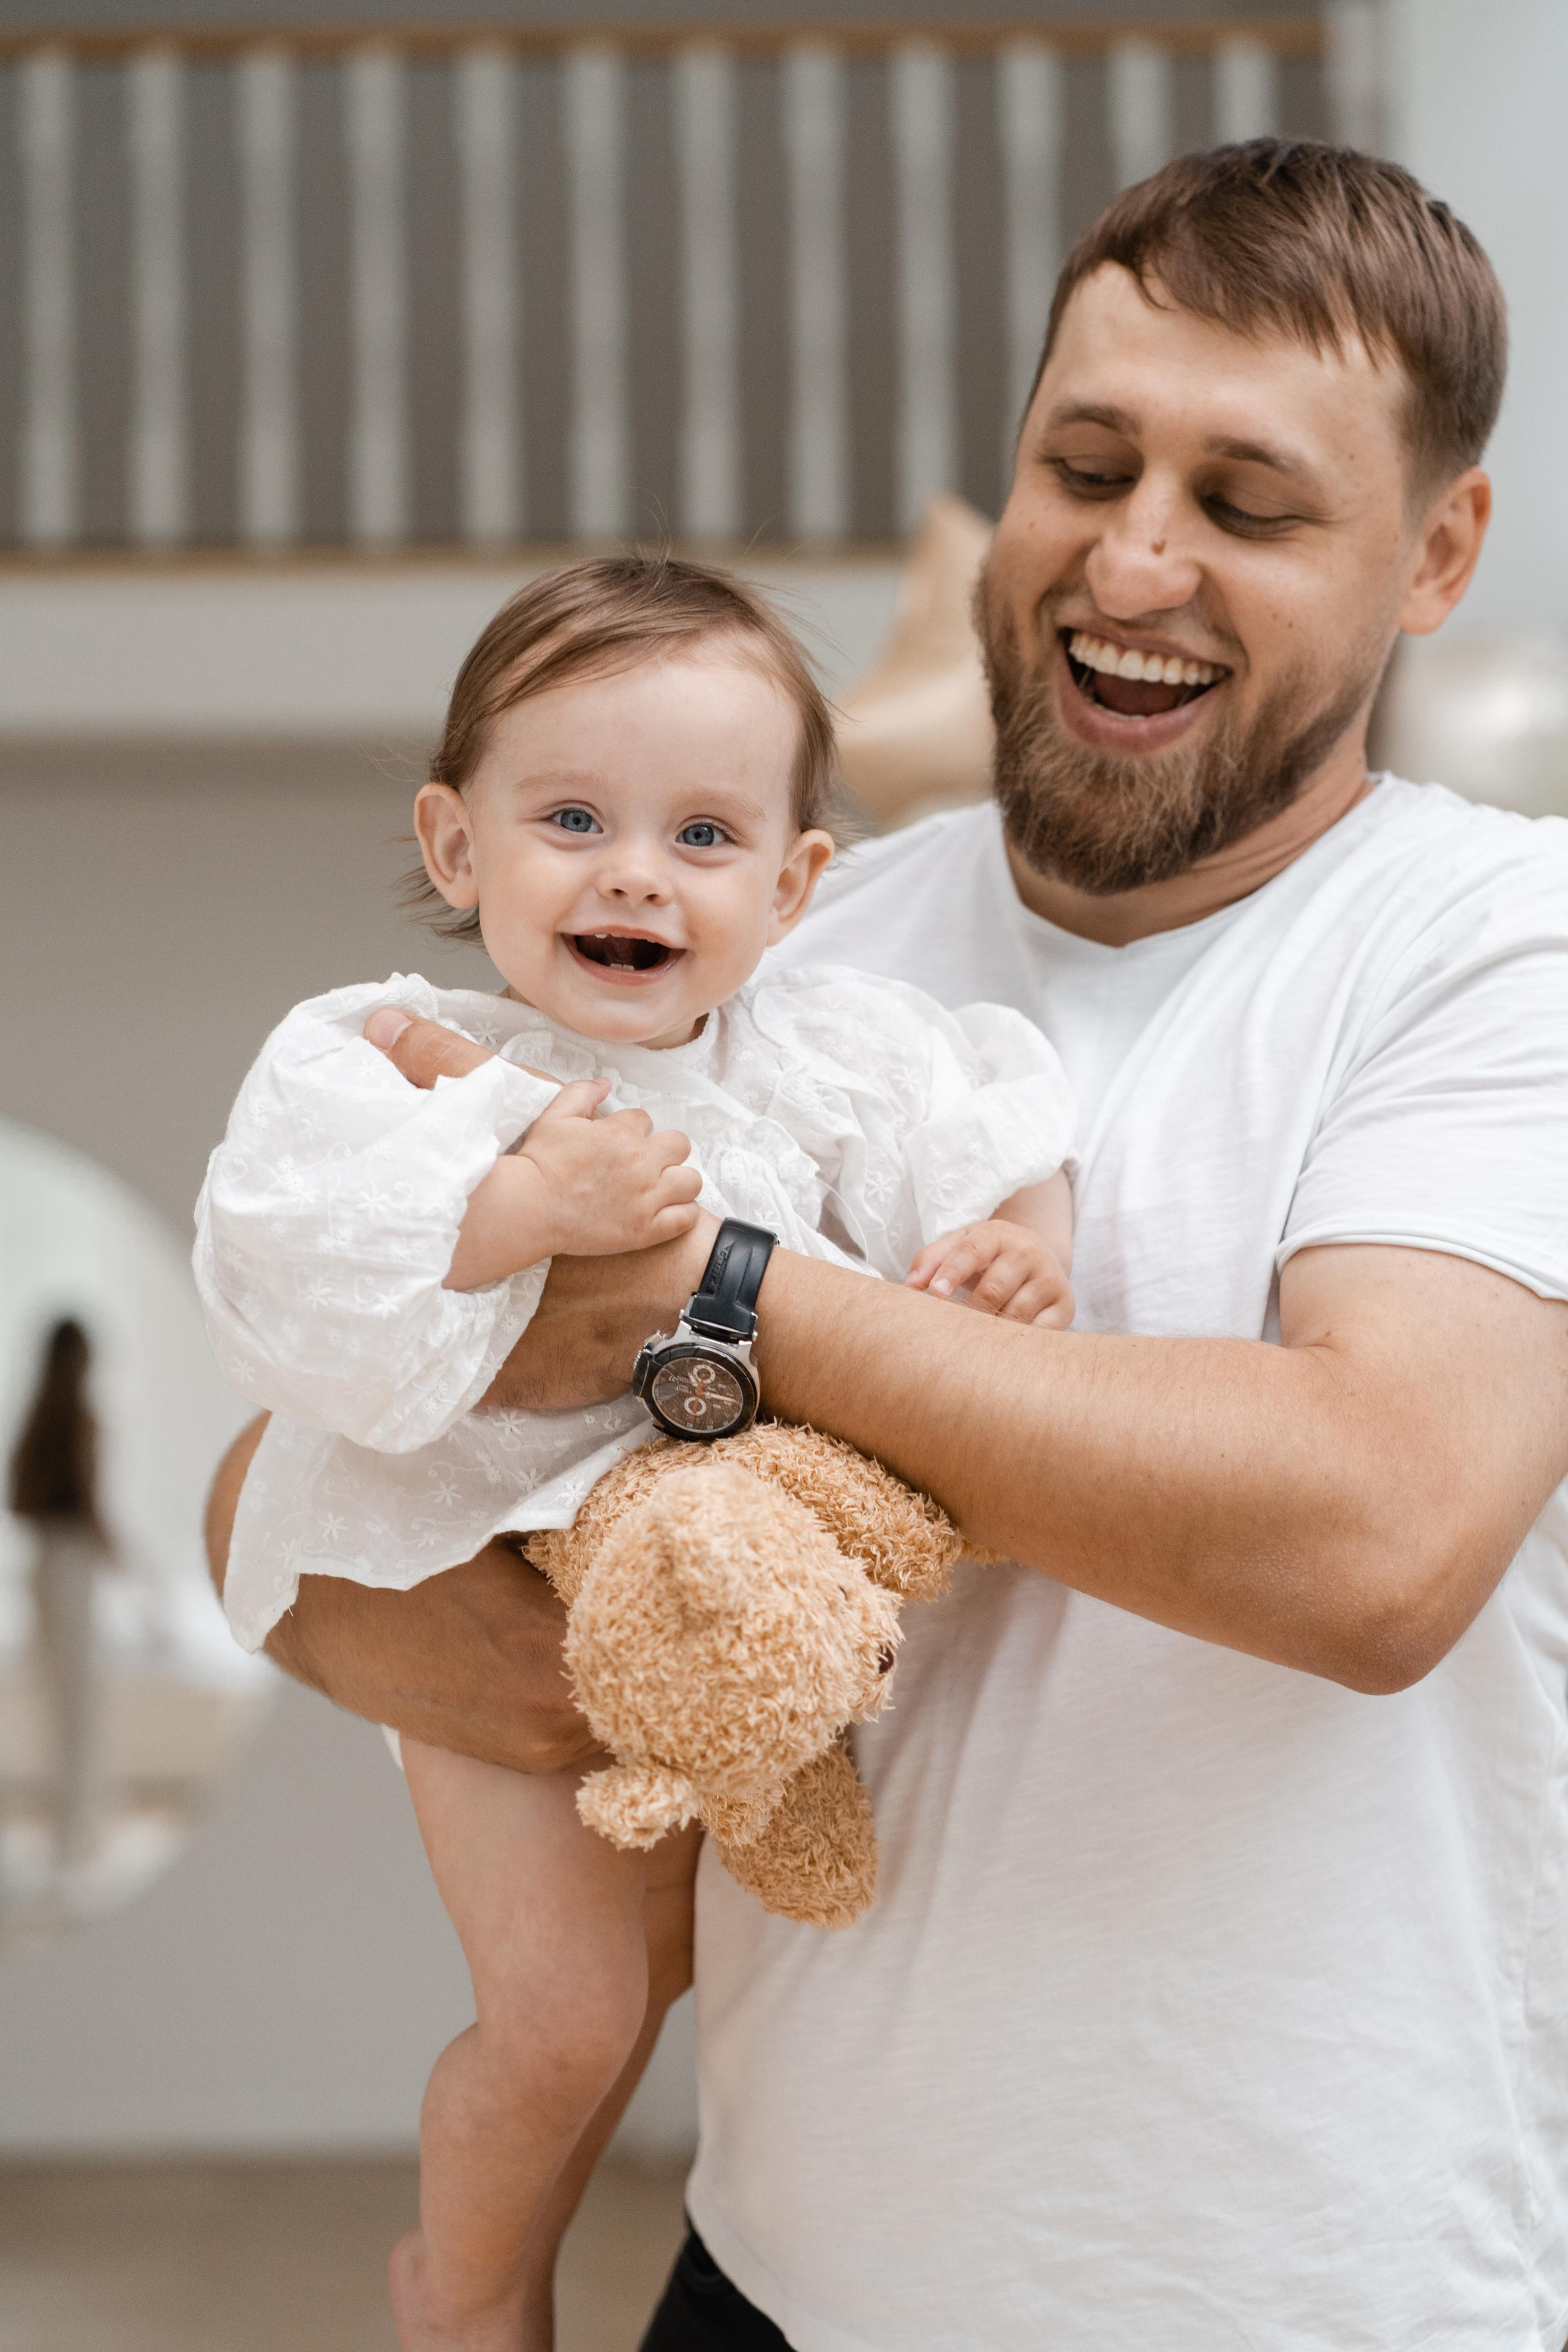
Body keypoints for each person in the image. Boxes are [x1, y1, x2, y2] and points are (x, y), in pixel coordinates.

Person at [205, 141, 1568, 2349]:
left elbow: (1372, 1538)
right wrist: (592, 1596)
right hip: (777, 2285)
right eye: (1083, 460)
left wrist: (710, 1305)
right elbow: (275, 1505)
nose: (1131, 557)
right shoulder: (792, 926)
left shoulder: (1495, 943)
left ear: (1433, 554)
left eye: (1245, 503)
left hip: (1310, 2304)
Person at [195, 554, 1075, 2352]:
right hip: (473, 1576)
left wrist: (1022, 1233)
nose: (630, 871)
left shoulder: (823, 1046)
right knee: (569, 2013)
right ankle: (466, 2287)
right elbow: (285, 1262)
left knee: (675, 1965)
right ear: (458, 846)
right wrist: (518, 1199)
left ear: (791, 879)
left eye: (699, 833)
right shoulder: (392, 1057)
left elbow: (982, 1122)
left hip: (695, 1581)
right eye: (572, 815)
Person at [9, 1318, 115, 1885]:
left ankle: (65, 1836)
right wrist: (117, 1552)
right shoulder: (82, 1420)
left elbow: (18, 1495)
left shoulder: (37, 1421)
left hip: (44, 1565)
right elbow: (94, 1505)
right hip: (72, 1567)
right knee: (77, 1706)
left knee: (56, 1700)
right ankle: (74, 1842)